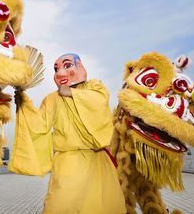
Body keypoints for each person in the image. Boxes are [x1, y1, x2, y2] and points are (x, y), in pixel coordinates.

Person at [8, 53, 126, 214]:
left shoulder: (95, 87)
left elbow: (99, 102)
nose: (60, 72)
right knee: (59, 204)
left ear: (80, 67)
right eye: (56, 69)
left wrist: (72, 94)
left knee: (102, 205)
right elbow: (38, 125)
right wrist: (24, 103)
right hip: (68, 162)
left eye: (68, 65)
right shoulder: (51, 99)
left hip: (97, 160)